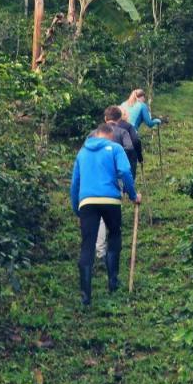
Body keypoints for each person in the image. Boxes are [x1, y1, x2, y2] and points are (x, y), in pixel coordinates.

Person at [70, 123, 140, 307]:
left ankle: (86, 297)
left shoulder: (82, 152)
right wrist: (132, 195)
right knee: (114, 235)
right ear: (108, 135)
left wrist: (76, 207)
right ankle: (113, 282)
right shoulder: (115, 148)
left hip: (87, 202)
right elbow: (124, 171)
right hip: (110, 200)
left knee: (87, 245)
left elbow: (75, 182)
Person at [96, 106, 141, 262]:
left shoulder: (96, 133)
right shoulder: (122, 132)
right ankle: (112, 250)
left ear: (105, 119)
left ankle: (100, 251)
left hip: (97, 174)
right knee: (113, 207)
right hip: (116, 174)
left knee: (100, 217)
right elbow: (130, 146)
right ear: (120, 118)